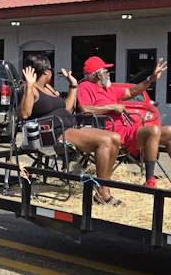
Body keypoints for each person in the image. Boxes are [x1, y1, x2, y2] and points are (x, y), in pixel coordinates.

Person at [19, 54, 124, 205]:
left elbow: (67, 109)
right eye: (51, 70)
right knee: (105, 141)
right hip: (53, 133)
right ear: (47, 72)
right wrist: (29, 85)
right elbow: (25, 113)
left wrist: (73, 85)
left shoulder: (48, 88)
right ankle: (103, 192)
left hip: (67, 126)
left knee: (115, 138)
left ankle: (104, 186)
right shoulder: (30, 89)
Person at [77, 56, 171, 188]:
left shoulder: (107, 89)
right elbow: (85, 109)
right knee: (153, 130)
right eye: (105, 70)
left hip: (129, 129)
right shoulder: (85, 86)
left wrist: (151, 79)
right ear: (97, 74)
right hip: (112, 132)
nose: (108, 73)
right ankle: (150, 181)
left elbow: (132, 91)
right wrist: (112, 107)